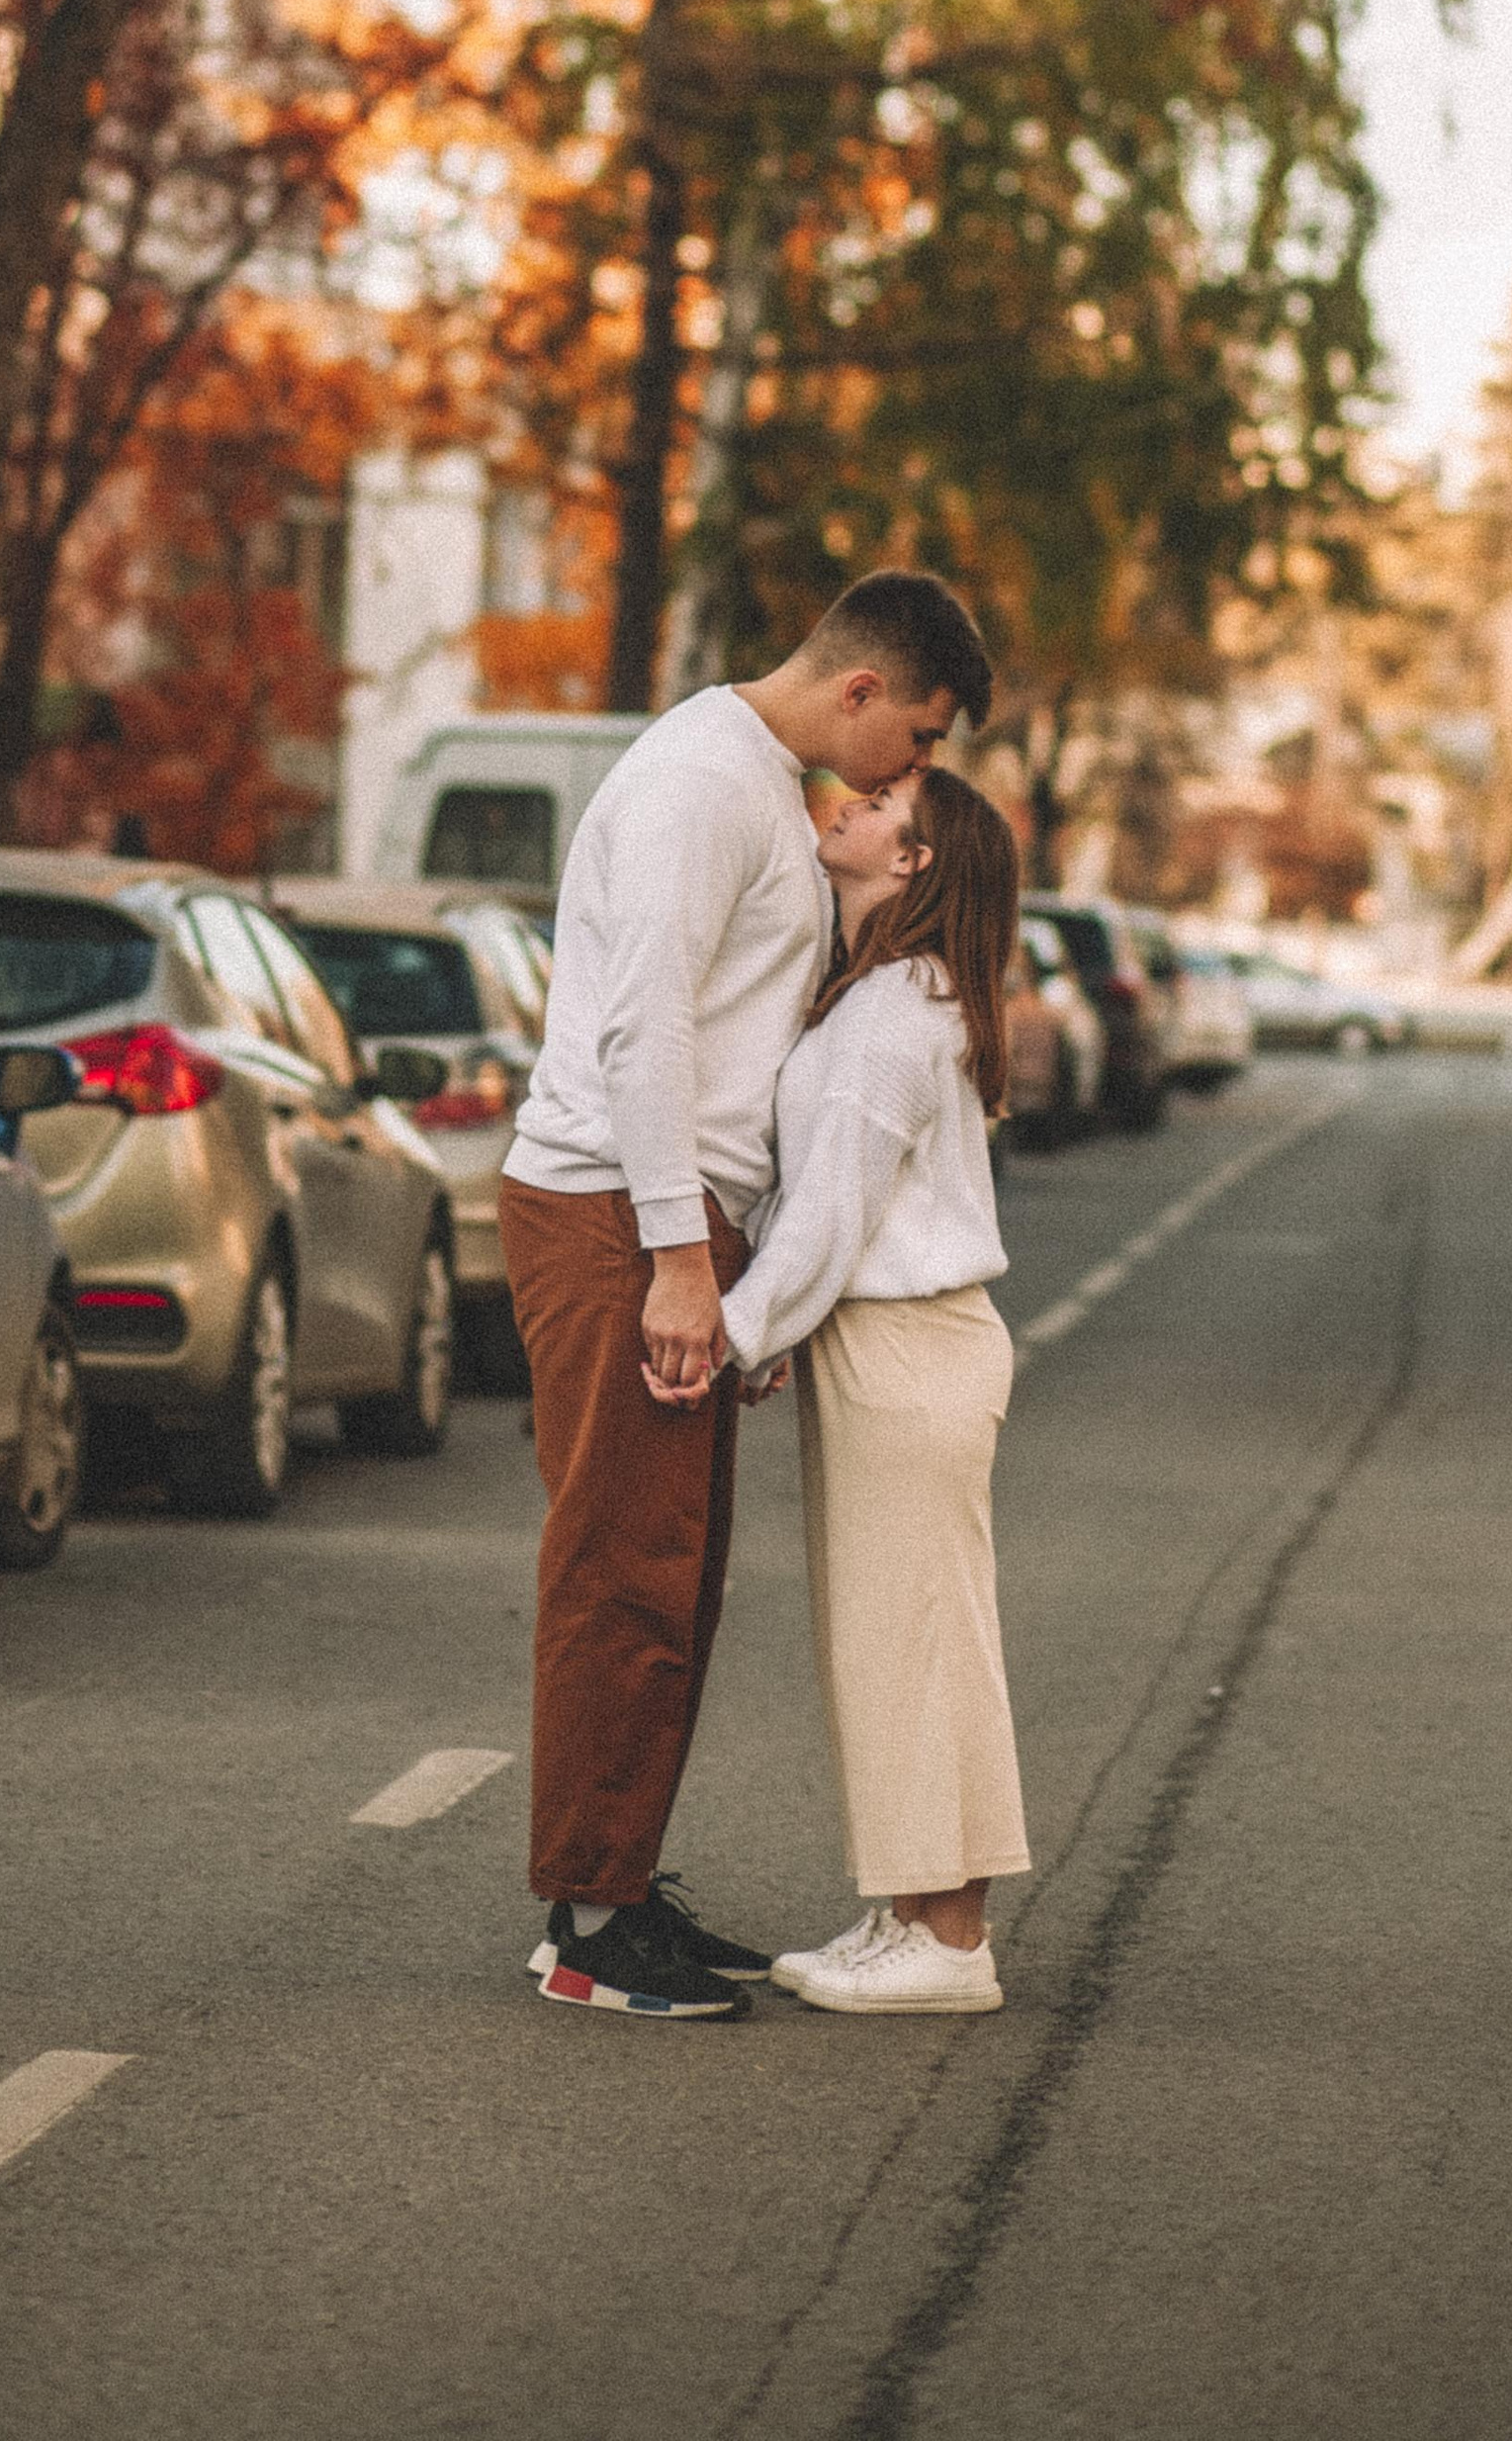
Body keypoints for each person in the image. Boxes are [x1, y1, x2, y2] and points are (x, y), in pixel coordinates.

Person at [501, 571, 994, 2021]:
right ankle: (591, 1926)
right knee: (622, 1568)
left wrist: (737, 1265)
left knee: (673, 1570)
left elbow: (735, 1054)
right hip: (613, 1211)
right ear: (861, 692)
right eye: (920, 732)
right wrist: (672, 1258)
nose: (918, 767)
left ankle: (617, 1887)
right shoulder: (703, 787)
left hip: (670, 1223)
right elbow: (643, 1025)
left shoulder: (761, 787)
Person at [718, 765, 1030, 2016]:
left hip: (908, 1348)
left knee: (922, 1639)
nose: (849, 801)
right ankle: (907, 1908)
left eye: (884, 803)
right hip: (885, 1345)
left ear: (913, 863)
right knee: (882, 1634)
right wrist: (781, 1329)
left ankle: (952, 1940)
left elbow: (829, 1219)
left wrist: (728, 1335)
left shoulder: (894, 1016)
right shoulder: (881, 997)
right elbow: (824, 1205)